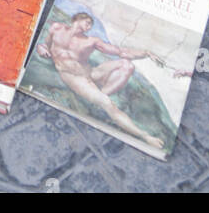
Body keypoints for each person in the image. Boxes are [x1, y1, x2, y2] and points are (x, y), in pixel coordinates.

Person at [37, 11, 165, 151]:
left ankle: (101, 94)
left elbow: (121, 52)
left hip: (90, 72)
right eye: (87, 22)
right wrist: (41, 48)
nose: (89, 27)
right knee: (107, 103)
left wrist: (146, 53)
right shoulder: (57, 28)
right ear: (77, 19)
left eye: (91, 25)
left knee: (126, 65)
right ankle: (145, 136)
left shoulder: (91, 41)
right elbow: (46, 44)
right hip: (73, 77)